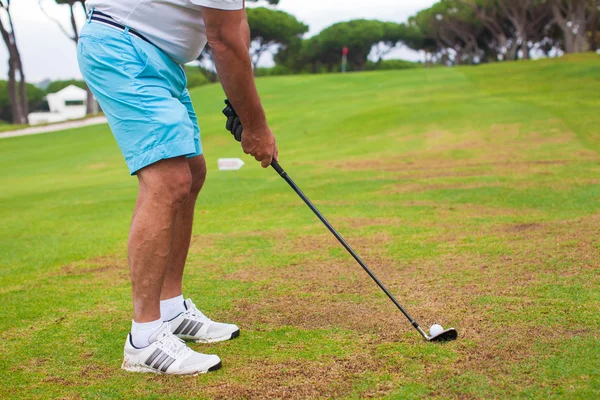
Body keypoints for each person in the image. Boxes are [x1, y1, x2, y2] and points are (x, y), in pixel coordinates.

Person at [78, 0, 278, 375]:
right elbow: (222, 38)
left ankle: (170, 310)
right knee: (168, 180)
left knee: (191, 171)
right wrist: (255, 126)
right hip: (125, 48)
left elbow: (236, 26)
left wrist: (242, 103)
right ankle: (144, 339)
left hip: (159, 59)